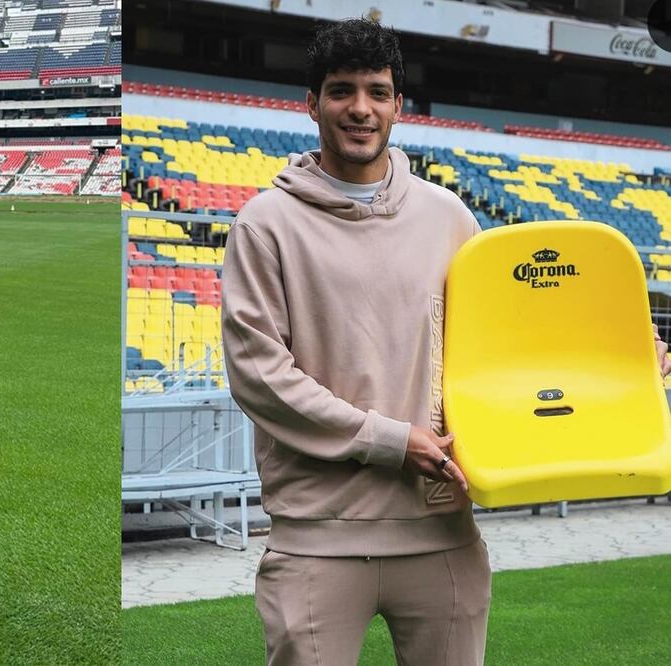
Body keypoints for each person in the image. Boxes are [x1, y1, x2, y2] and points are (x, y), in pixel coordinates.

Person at [221, 18, 670, 666]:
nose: (360, 108)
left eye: (377, 91)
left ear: (400, 105)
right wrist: (391, 441)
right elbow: (258, 375)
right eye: (341, 90)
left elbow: (510, 349)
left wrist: (623, 362)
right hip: (317, 538)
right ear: (312, 103)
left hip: (442, 532)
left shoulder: (450, 218)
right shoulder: (265, 225)